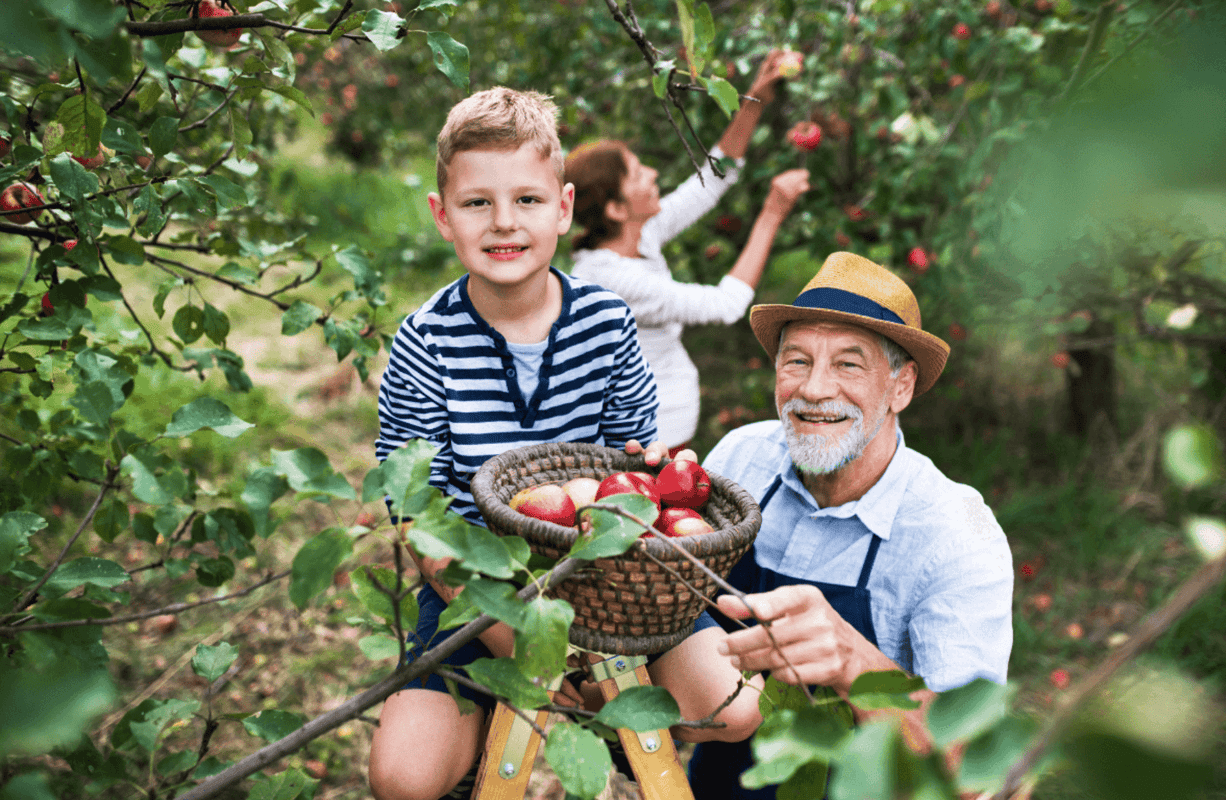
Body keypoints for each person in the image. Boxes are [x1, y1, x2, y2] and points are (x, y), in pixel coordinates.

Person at [368, 87, 761, 800]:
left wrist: (669, 482)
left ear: (565, 207)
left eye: (527, 200)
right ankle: (483, 722)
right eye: (477, 203)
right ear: (441, 216)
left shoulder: (605, 322)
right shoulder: (425, 340)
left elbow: (635, 476)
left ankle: (621, 725)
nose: (504, 222)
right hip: (476, 586)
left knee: (734, 709)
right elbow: (415, 514)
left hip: (613, 579)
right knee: (402, 780)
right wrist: (519, 647)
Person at [684, 251, 1015, 799]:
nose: (814, 389)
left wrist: (853, 663)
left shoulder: (954, 535)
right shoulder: (741, 460)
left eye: (848, 364)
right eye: (796, 361)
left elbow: (975, 772)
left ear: (901, 388)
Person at [566, 49, 812, 450]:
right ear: (615, 208)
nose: (654, 173)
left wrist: (754, 99)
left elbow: (712, 180)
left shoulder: (635, 236)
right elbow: (725, 304)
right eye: (637, 173)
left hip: (663, 427)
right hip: (647, 443)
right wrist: (771, 214)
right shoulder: (610, 281)